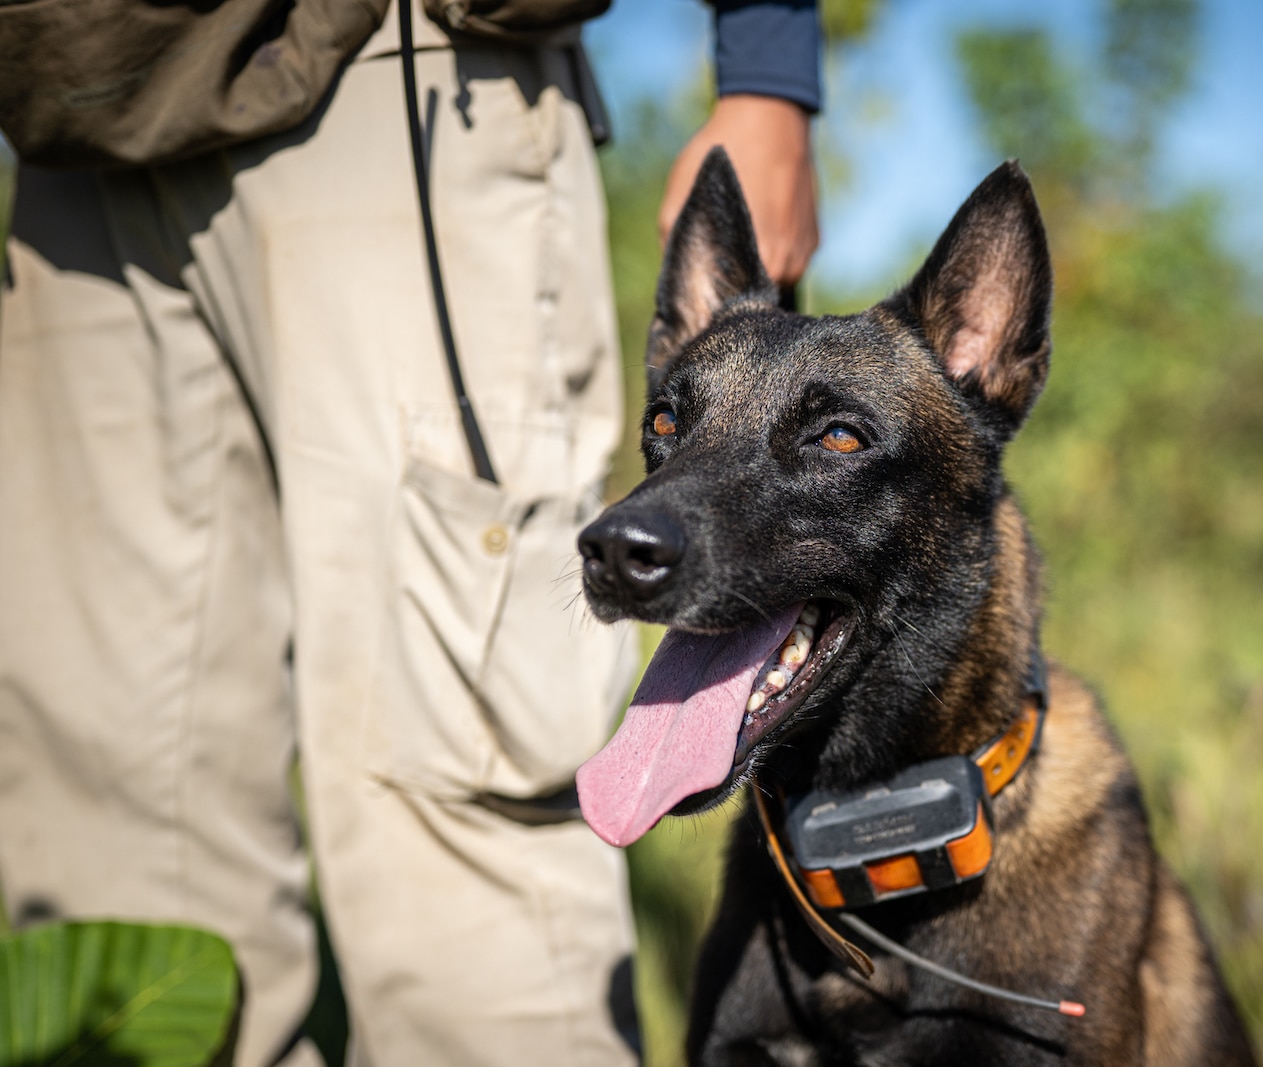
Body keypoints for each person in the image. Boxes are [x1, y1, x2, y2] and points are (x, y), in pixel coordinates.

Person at [0, 2, 819, 1065]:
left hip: (389, 71)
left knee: (458, 785)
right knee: (106, 792)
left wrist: (767, 70)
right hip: (72, 105)